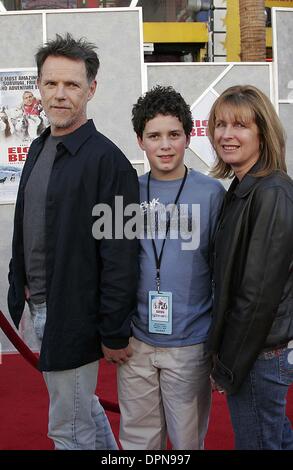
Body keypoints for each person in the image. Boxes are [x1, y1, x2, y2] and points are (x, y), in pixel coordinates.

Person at [7, 33, 139, 450]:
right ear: (39, 87)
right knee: (84, 411)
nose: (59, 95)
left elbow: (121, 253)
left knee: (67, 429)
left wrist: (114, 331)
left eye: (72, 85)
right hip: (38, 306)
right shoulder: (38, 148)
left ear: (91, 89)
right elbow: (26, 226)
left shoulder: (109, 162)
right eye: (50, 84)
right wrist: (21, 285)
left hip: (76, 317)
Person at [118, 85, 225, 450]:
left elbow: (221, 270)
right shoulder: (129, 192)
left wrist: (217, 344)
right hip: (137, 344)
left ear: (188, 136)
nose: (165, 145)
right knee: (137, 440)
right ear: (140, 140)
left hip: (191, 344)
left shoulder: (211, 193)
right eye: (154, 136)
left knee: (187, 441)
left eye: (173, 134)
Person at [207, 85, 293, 450]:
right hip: (256, 351)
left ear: (262, 133)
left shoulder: (271, 192)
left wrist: (228, 365)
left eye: (240, 125)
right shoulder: (243, 188)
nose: (226, 135)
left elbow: (256, 295)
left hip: (260, 353)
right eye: (220, 124)